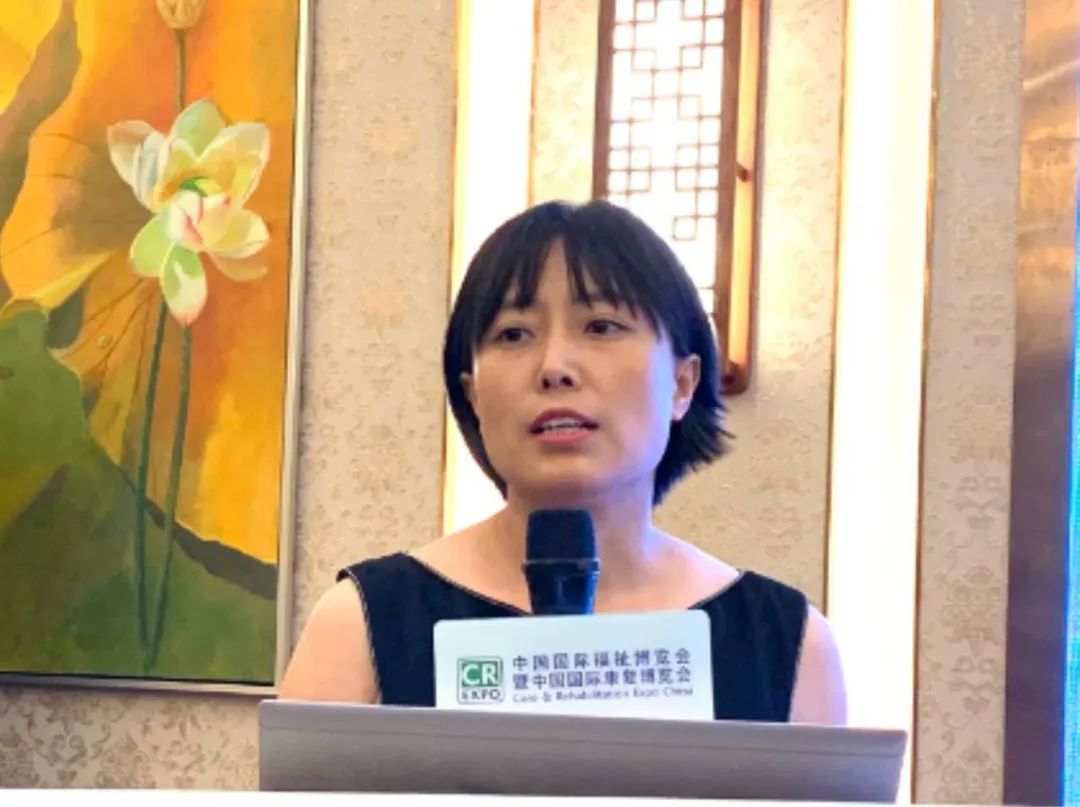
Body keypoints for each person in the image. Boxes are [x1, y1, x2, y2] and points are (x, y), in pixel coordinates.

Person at [279, 200, 847, 724]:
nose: (554, 367)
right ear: (473, 394)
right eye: (514, 334)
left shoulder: (789, 644)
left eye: (601, 326)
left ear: (682, 383)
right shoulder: (360, 625)